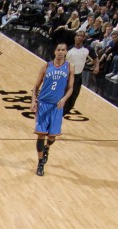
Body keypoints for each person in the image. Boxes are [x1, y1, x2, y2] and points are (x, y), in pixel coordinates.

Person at [31, 41, 72, 176]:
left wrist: (64, 99)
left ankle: (47, 148)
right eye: (58, 49)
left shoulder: (70, 67)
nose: (60, 52)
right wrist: (33, 101)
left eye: (63, 50)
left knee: (52, 137)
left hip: (57, 106)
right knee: (41, 134)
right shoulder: (46, 66)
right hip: (43, 104)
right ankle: (40, 163)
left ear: (66, 52)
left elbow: (71, 88)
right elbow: (36, 86)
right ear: (54, 51)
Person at [63, 30, 92, 114]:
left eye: (82, 36)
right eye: (78, 35)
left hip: (78, 77)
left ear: (84, 38)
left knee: (71, 102)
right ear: (75, 37)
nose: (79, 37)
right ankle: (54, 118)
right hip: (67, 76)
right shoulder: (68, 49)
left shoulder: (87, 49)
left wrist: (96, 66)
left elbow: (95, 58)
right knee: (63, 99)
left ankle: (59, 116)